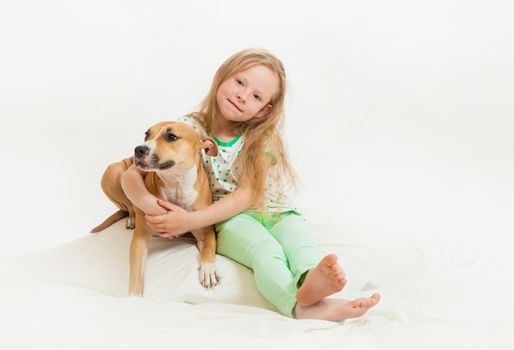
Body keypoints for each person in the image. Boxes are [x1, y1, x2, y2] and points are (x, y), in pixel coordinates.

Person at [121, 48, 380, 321]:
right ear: (221, 77)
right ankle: (298, 305)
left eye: (256, 96)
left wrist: (190, 220)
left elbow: (248, 193)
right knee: (264, 251)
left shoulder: (260, 138)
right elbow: (130, 172)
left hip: (278, 210)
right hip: (231, 218)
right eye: (240, 82)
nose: (243, 95)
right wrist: (149, 205)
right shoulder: (187, 129)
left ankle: (311, 280)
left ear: (263, 110)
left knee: (301, 245)